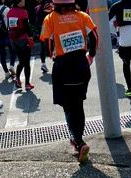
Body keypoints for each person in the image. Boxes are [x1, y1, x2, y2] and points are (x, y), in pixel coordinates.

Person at [40, 0, 97, 163]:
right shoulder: (83, 16)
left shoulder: (50, 18)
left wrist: (52, 55)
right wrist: (90, 55)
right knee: (78, 104)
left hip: (63, 66)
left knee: (68, 106)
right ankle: (78, 140)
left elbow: (46, 40)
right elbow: (94, 36)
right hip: (81, 65)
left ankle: (78, 141)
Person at [7, 0, 35, 90]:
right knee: (26, 63)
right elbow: (26, 26)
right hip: (23, 39)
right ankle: (27, 84)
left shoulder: (9, 12)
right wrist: (31, 36)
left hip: (13, 40)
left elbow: (9, 26)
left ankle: (18, 80)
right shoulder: (23, 12)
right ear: (18, 2)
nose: (24, 1)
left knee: (21, 61)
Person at [0, 0, 16, 80]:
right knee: (12, 51)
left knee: (2, 55)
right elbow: (10, 23)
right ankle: (11, 65)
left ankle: (6, 73)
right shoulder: (6, 9)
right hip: (7, 35)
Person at [35, 0, 54, 73]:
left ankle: (43, 64)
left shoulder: (37, 7)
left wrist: (37, 30)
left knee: (43, 47)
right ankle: (56, 62)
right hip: (50, 27)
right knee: (54, 45)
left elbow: (36, 21)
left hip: (42, 28)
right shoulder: (50, 5)